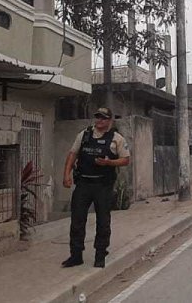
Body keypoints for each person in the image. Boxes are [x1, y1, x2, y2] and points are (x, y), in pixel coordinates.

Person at [62, 106, 131, 268]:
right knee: (77, 220)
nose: (99, 120)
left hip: (103, 185)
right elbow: (73, 154)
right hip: (83, 184)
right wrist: (66, 174)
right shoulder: (84, 135)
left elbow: (125, 160)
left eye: (103, 118)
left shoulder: (116, 138)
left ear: (109, 120)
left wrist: (109, 163)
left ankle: (100, 254)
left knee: (103, 221)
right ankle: (76, 255)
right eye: (98, 117)